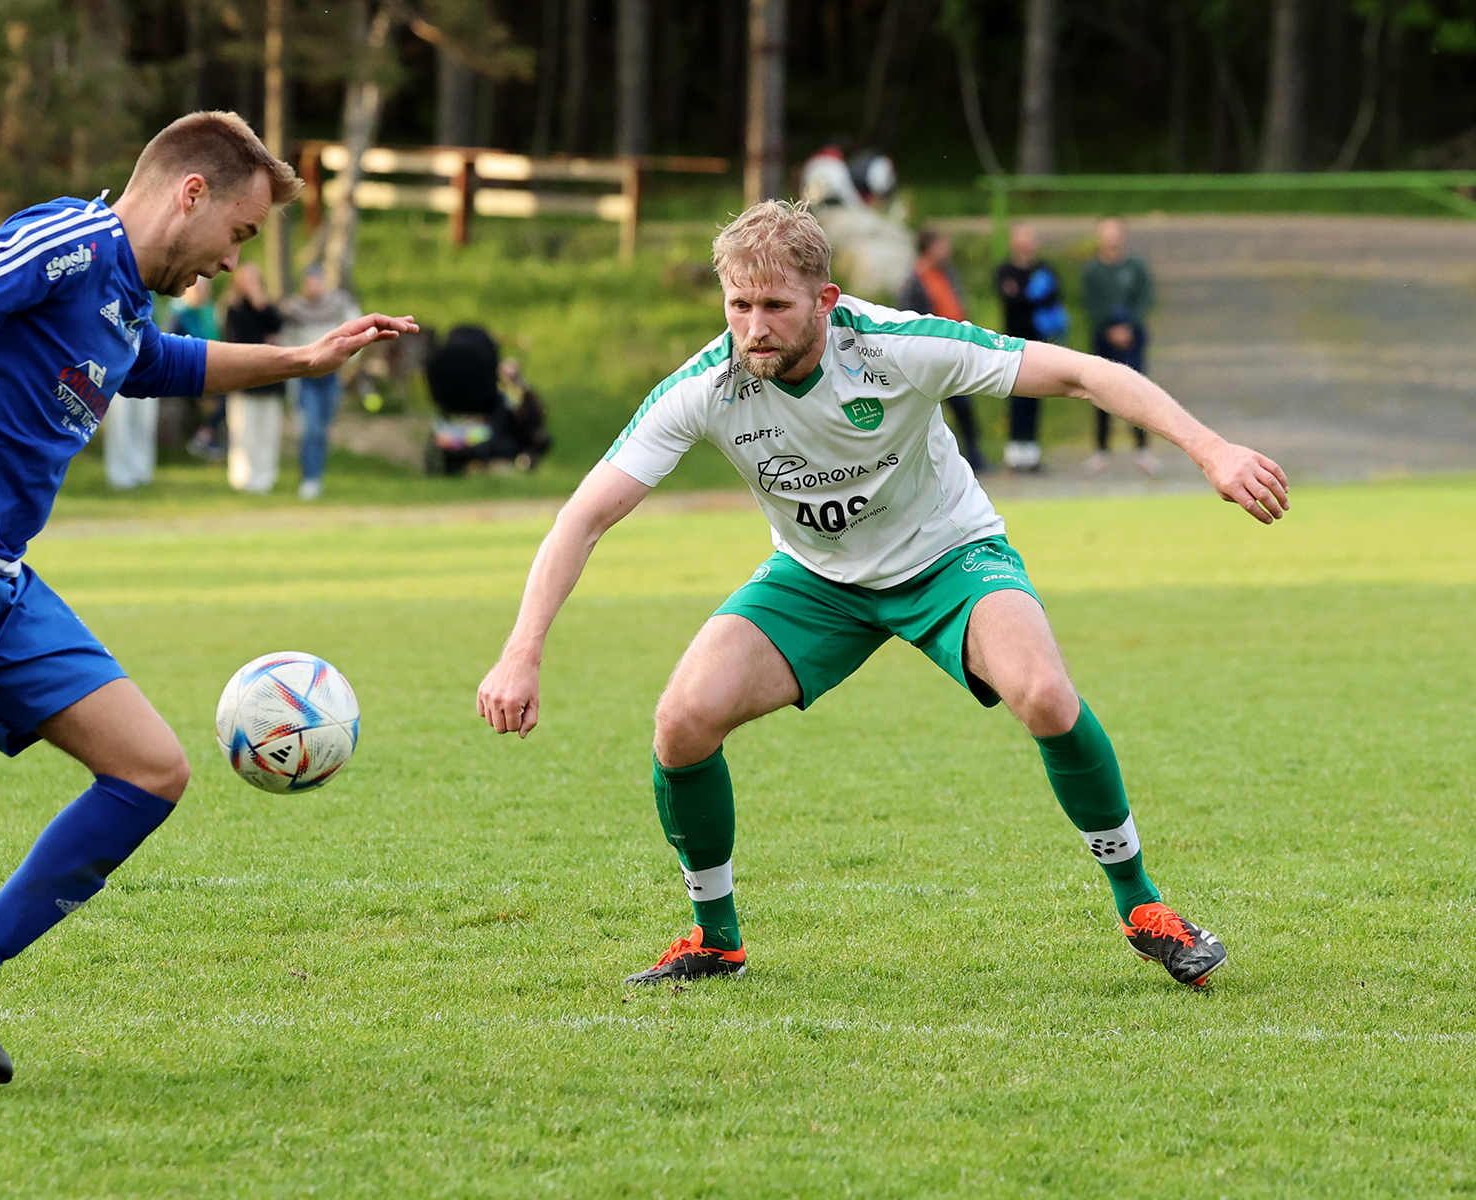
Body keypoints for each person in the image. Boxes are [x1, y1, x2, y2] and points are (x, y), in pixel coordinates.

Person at [0, 110, 416, 1092]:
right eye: (237, 234)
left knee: (151, 772)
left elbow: (157, 364)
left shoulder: (122, 300)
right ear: (190, 193)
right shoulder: (73, 241)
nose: (233, 263)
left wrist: (302, 360)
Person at [476, 200, 1287, 991]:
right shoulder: (707, 385)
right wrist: (521, 651)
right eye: (738, 305)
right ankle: (715, 940)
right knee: (681, 722)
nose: (754, 327)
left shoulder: (899, 346)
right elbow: (583, 518)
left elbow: (1083, 373)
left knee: (1044, 694)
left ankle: (1142, 907)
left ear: (825, 301)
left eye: (775, 306)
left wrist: (1211, 450)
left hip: (948, 558)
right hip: (817, 579)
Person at [897, 228, 986, 472]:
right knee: (929, 410)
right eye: (941, 246)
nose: (947, 251)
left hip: (955, 351)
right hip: (930, 354)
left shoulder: (947, 274)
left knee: (964, 408)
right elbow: (908, 318)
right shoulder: (914, 281)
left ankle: (973, 456)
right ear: (928, 249)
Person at [1081, 217, 1159, 474]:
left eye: (1115, 234)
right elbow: (1090, 302)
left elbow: (1145, 298)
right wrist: (1109, 327)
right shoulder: (1092, 271)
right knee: (1099, 388)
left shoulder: (1135, 268)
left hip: (1133, 336)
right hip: (1103, 337)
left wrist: (1129, 325)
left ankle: (1142, 448)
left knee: (1138, 388)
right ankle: (1102, 449)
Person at [281, 264, 362, 500]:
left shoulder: (339, 303)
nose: (314, 285)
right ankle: (310, 478)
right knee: (311, 427)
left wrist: (349, 366)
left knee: (323, 428)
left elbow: (357, 333)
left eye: (318, 280)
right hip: (306, 375)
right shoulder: (294, 308)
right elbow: (286, 341)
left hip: (334, 374)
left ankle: (316, 474)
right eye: (310, 280)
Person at [993, 222, 1068, 472]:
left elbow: (1053, 295)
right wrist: (1031, 296)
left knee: (1036, 393)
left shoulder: (1044, 268)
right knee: (1014, 392)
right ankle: (1015, 451)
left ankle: (1032, 451)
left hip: (1039, 340)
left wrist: (1024, 296)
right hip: (1013, 342)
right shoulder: (1005, 270)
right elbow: (1011, 300)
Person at [222, 263, 286, 493]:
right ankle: (243, 478)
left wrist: (261, 305)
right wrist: (265, 341)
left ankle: (265, 477)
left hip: (271, 381)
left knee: (268, 432)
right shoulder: (233, 311)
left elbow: (278, 326)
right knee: (245, 432)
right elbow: (236, 342)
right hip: (245, 381)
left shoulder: (269, 308)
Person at [168, 277, 227, 460]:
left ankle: (205, 435)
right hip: (188, 372)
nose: (201, 294)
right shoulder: (180, 315)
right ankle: (205, 435)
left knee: (232, 394)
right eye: (197, 290)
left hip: (212, 368)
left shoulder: (211, 313)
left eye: (204, 290)